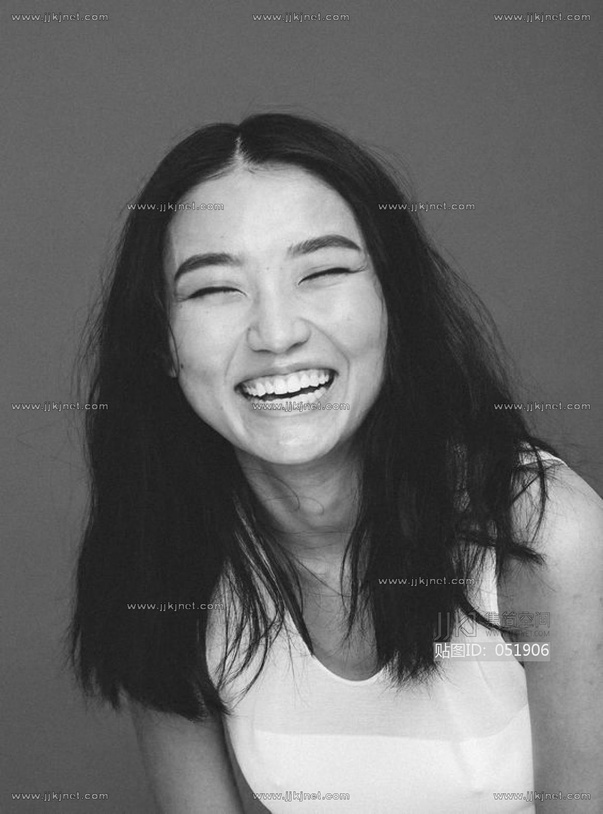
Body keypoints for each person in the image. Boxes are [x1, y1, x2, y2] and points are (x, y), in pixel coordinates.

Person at [68, 113, 603, 813]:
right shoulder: (165, 558)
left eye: (321, 272)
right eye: (214, 288)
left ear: (391, 303)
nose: (277, 333)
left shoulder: (541, 535)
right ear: (161, 344)